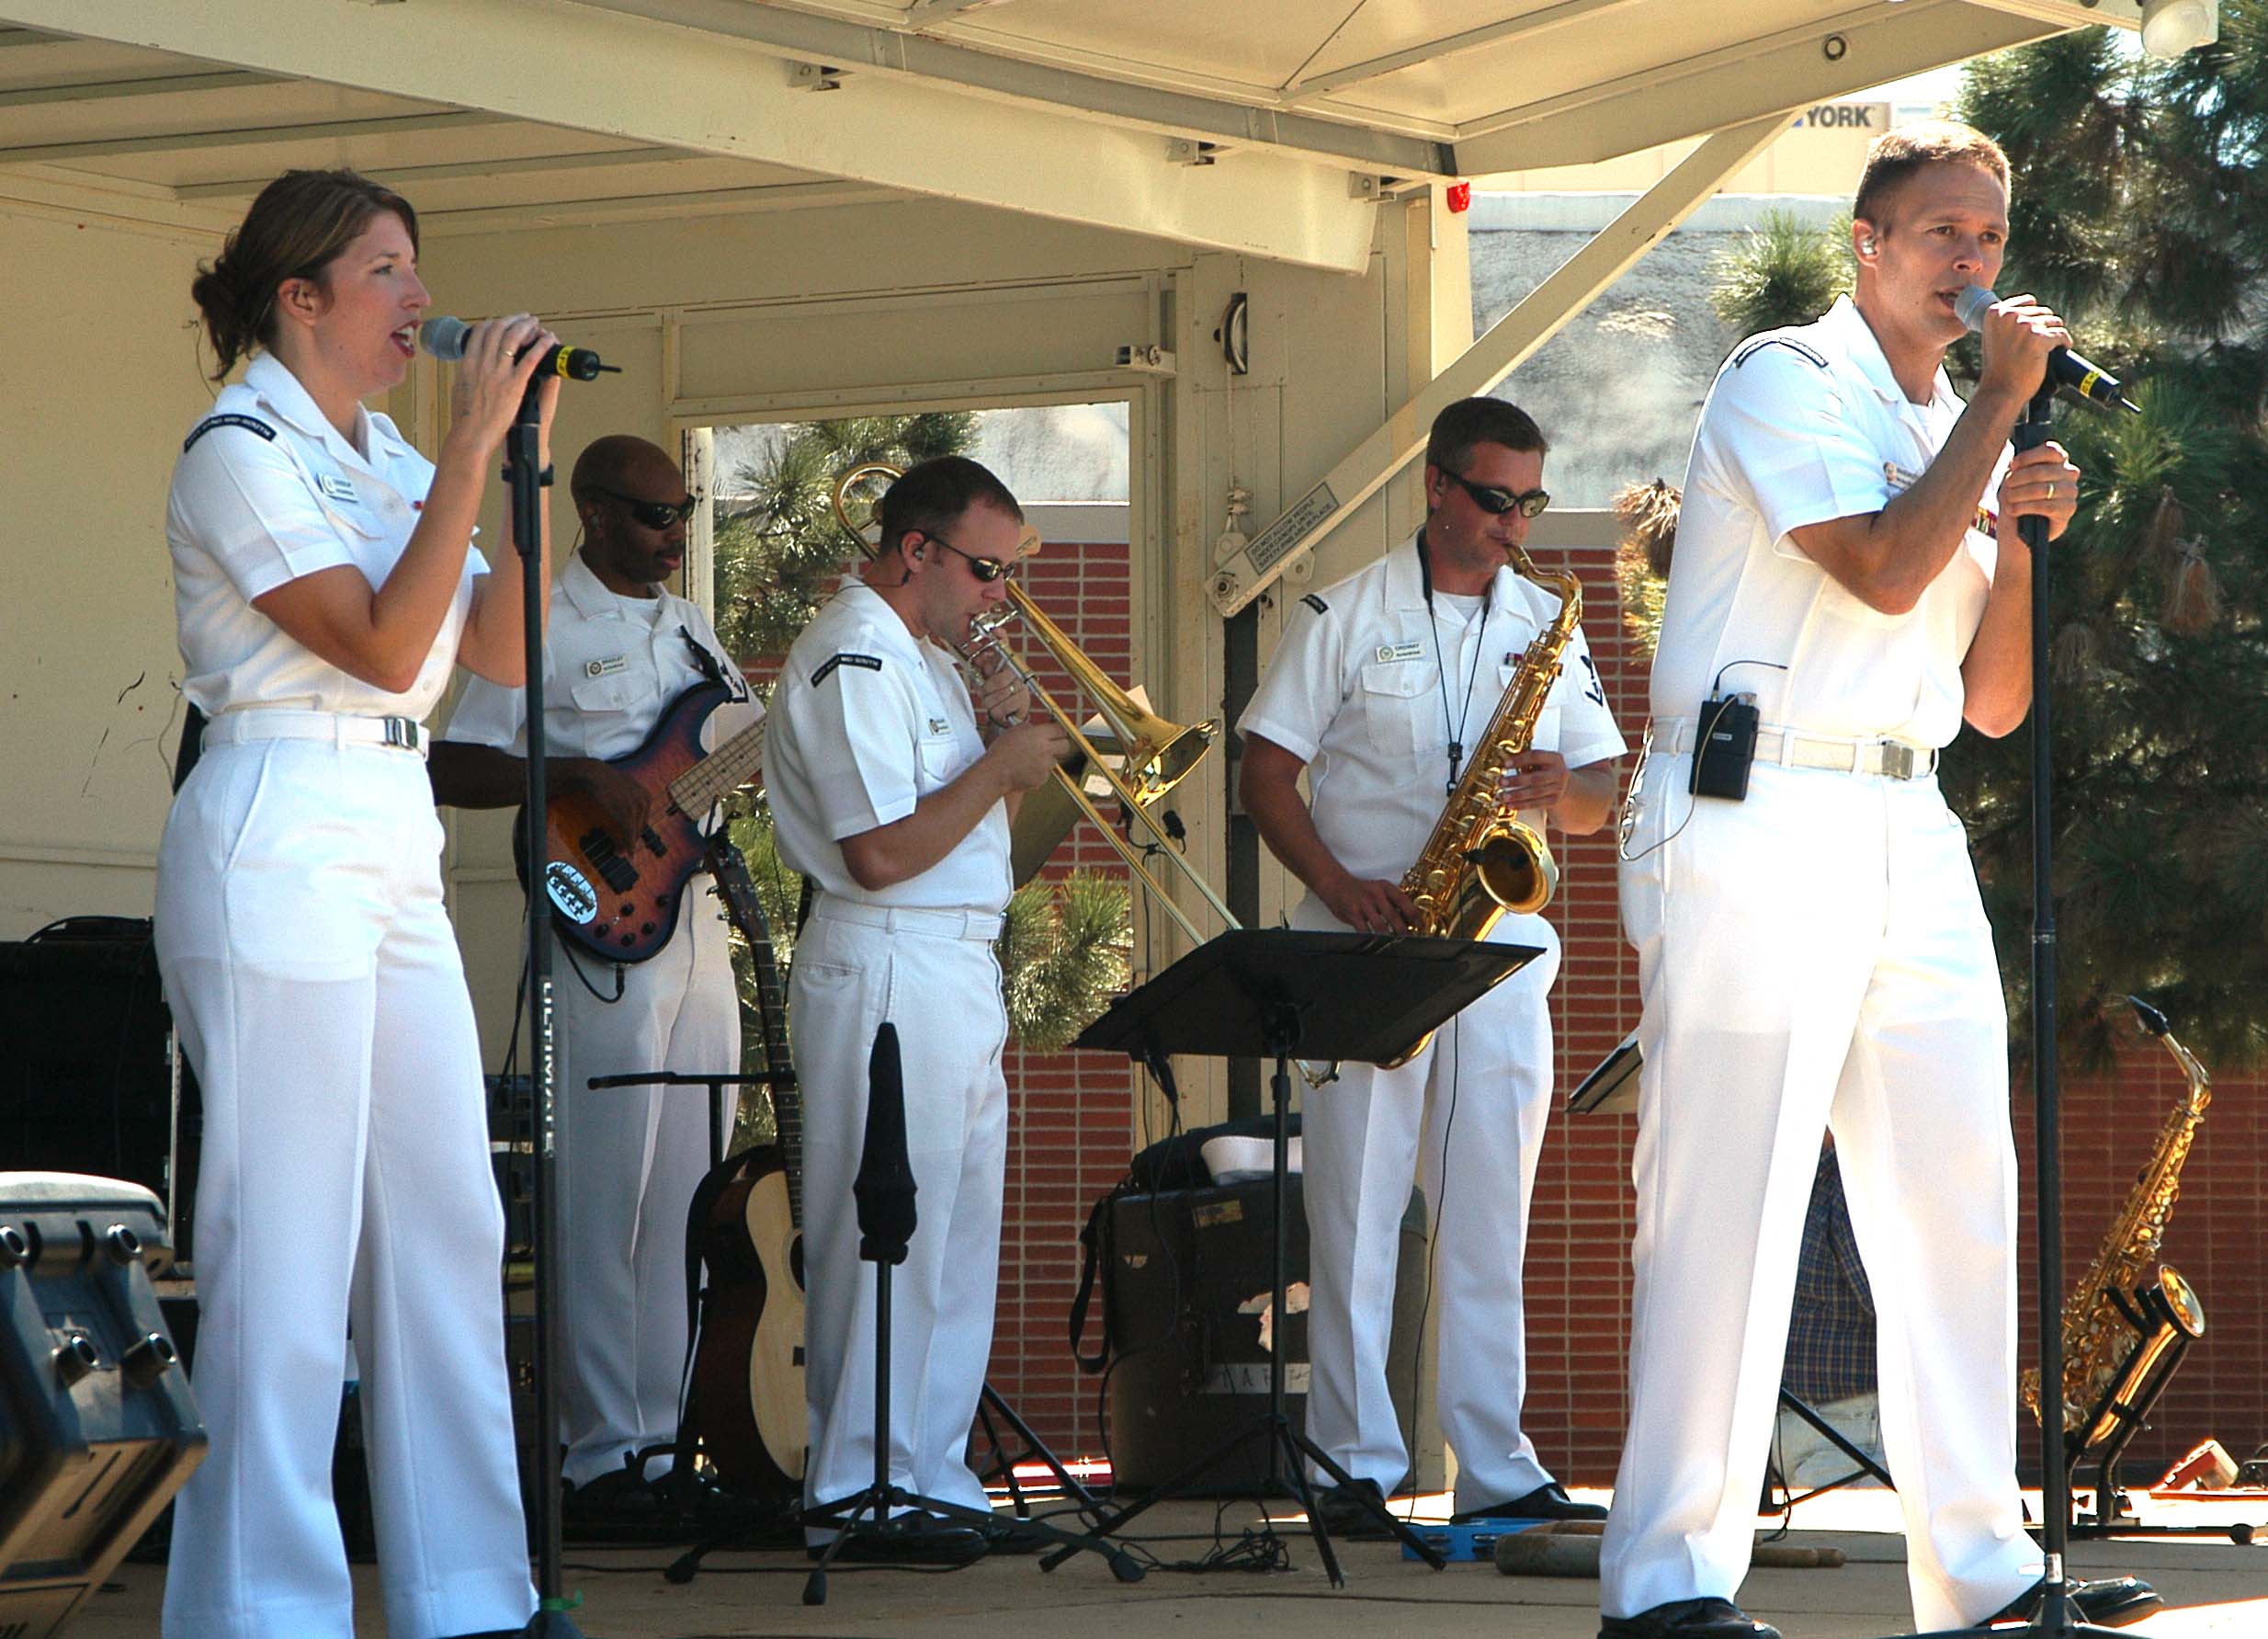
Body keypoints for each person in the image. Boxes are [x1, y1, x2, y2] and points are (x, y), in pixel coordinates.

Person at [1599, 122, 2159, 1639]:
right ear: (1866, 242)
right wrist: (1991, 414)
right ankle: (1664, 1581)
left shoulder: (1953, 420)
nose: (1969, 265)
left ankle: (1977, 1574)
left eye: (1987, 239)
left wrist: (2023, 539)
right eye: (1936, 235)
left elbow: (1988, 703)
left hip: (1904, 811)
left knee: (1953, 1191)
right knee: (1728, 1196)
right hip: (1753, 802)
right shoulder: (1789, 378)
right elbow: (1880, 570)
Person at [154, 167, 558, 1639]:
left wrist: (517, 475)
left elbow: (497, 652)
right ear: (298, 297)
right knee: (288, 1239)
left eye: (416, 266)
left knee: (447, 1214)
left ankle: (469, 1591)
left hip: (390, 827)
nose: (416, 298)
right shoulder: (237, 445)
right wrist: (470, 446)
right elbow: (386, 650)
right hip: (279, 820)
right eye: (383, 270)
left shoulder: (389, 448)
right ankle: (262, 1609)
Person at [1238, 396, 1625, 1537]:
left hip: (1494, 951)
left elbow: (1602, 797)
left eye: (1530, 502)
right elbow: (1264, 777)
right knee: (1354, 1208)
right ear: (1438, 486)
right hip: (1362, 945)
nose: (1515, 524)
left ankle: (1492, 1461)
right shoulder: (1343, 612)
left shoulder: (1548, 620)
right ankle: (1351, 1465)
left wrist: (1567, 791)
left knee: (1487, 1209)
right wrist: (1338, 884)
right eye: (1496, 498)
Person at [431, 435, 759, 1522]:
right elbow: (452, 761)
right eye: (657, 517)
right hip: (599, 931)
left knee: (689, 1199)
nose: (676, 535)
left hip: (697, 922)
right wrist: (574, 771)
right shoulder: (537, 620)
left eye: (685, 514)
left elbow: (718, 757)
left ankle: (664, 1447)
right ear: (595, 513)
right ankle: (594, 1453)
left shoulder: (690, 625)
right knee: (602, 1196)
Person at [763, 456, 1066, 1560]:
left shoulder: (924, 659)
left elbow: (979, 847)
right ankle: (859, 1487)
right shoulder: (853, 654)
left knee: (949, 1238)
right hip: (886, 961)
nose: (1000, 594)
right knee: (882, 1234)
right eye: (988, 569)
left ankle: (927, 1475)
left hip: (952, 966)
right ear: (916, 552)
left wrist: (1004, 750)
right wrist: (999, 766)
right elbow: (880, 853)